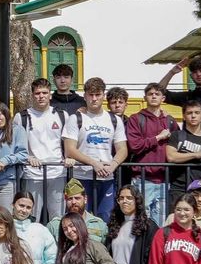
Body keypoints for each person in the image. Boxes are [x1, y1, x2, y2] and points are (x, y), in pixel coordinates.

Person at [65, 78, 126, 220]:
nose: (94, 99)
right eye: (90, 95)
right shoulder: (75, 118)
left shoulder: (115, 120)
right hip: (82, 176)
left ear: (103, 96)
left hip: (106, 177)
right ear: (85, 96)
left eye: (97, 95)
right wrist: (94, 163)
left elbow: (122, 148)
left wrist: (113, 165)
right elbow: (70, 149)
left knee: (106, 218)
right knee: (80, 218)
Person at [18, 79, 69, 224]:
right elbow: (16, 146)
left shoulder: (62, 115)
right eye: (37, 93)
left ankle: (57, 245)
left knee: (57, 218)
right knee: (31, 217)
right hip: (32, 174)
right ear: (32, 95)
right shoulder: (22, 117)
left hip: (57, 173)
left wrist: (68, 157)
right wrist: (28, 158)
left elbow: (68, 143)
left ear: (50, 95)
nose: (41, 96)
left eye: (44, 93)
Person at [125, 83, 173, 224]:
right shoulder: (136, 119)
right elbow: (135, 145)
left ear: (163, 98)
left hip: (164, 180)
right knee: (140, 223)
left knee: (160, 224)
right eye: (150, 94)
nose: (153, 96)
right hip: (142, 179)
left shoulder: (169, 121)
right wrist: (158, 138)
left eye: (157, 94)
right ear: (145, 97)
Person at [165, 101, 201, 207]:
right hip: (178, 189)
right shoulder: (176, 135)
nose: (193, 116)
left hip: (200, 191)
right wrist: (195, 155)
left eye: (197, 113)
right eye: (189, 113)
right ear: (184, 116)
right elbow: (171, 156)